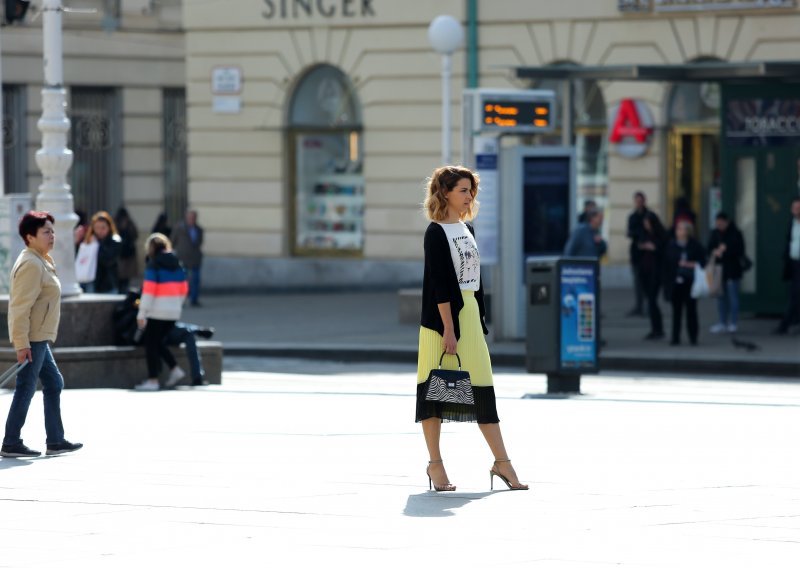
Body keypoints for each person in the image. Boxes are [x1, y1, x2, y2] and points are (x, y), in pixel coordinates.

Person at [417, 165, 528, 492]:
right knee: (434, 390)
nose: (469, 197)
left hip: (469, 316)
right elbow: (440, 285)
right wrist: (449, 329)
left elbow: (473, 281)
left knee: (482, 388)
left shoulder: (468, 229)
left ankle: (502, 462)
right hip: (443, 321)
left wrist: (476, 321)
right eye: (464, 190)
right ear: (445, 192)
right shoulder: (435, 232)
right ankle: (435, 465)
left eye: (471, 190)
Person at [1, 211, 83, 458]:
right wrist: (21, 343)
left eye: (52, 230)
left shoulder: (41, 259)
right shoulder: (32, 264)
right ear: (30, 236)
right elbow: (19, 307)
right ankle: (11, 441)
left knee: (53, 382)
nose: (52, 235)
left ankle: (55, 440)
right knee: (26, 387)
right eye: (46, 231)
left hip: (39, 336)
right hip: (33, 338)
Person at [113, 289, 213, 386]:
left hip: (164, 329)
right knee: (162, 335)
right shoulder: (156, 281)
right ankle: (197, 330)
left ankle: (196, 377)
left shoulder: (165, 284)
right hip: (152, 330)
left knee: (187, 334)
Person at [134, 233, 189, 391]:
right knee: (157, 342)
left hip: (157, 311)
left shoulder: (154, 264)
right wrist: (176, 305)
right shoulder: (177, 264)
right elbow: (184, 289)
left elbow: (149, 292)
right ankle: (175, 369)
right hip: (173, 311)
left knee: (151, 344)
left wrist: (142, 313)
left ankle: (153, 380)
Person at [664, 220, 706, 346]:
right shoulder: (672, 245)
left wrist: (690, 264)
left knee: (691, 310)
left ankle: (693, 337)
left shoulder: (695, 245)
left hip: (690, 281)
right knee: (676, 311)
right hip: (676, 282)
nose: (679, 231)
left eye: (682, 229)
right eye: (678, 229)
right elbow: (667, 263)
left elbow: (703, 261)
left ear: (688, 231)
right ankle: (675, 337)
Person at [707, 212, 746, 334]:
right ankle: (722, 322)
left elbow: (740, 250)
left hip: (733, 270)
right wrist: (715, 251)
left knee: (733, 297)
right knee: (720, 297)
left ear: (726, 222)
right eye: (717, 223)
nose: (719, 225)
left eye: (721, 222)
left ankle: (733, 323)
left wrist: (726, 250)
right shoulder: (714, 233)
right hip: (719, 270)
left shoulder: (735, 233)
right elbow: (709, 247)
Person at [637, 211, 667, 340]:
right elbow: (637, 247)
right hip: (645, 271)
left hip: (656, 272)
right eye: (645, 223)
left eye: (648, 223)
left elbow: (664, 251)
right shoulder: (644, 234)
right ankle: (656, 329)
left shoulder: (661, 236)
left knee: (652, 301)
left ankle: (657, 329)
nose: (646, 226)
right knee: (650, 300)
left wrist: (654, 248)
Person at [78, 211, 122, 294]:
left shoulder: (115, 241)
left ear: (109, 227)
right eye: (97, 227)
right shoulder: (89, 240)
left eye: (103, 228)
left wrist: (97, 245)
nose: (100, 231)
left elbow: (108, 260)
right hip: (89, 282)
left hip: (108, 285)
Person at [775, 197, 800, 335]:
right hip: (794, 262)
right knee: (794, 294)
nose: (796, 211)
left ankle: (785, 324)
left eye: (798, 208)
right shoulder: (792, 223)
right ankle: (790, 322)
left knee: (795, 294)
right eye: (794, 208)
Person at [171, 210, 204, 307]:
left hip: (195, 259)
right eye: (190, 218)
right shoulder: (179, 228)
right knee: (182, 280)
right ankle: (182, 299)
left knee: (195, 279)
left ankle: (194, 299)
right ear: (186, 218)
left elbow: (199, 243)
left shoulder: (199, 229)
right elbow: (173, 241)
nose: (192, 220)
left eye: (194, 218)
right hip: (182, 258)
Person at [626, 191, 649, 317]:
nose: (639, 203)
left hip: (647, 254)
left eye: (640, 201)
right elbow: (629, 232)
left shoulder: (649, 215)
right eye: (637, 201)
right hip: (636, 253)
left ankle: (648, 306)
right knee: (637, 281)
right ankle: (639, 306)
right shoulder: (632, 216)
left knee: (647, 281)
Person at [114, 207, 139, 292]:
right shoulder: (129, 223)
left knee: (122, 277)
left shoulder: (116, 223)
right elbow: (135, 235)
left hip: (123, 253)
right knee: (125, 278)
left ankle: (122, 290)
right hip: (125, 253)